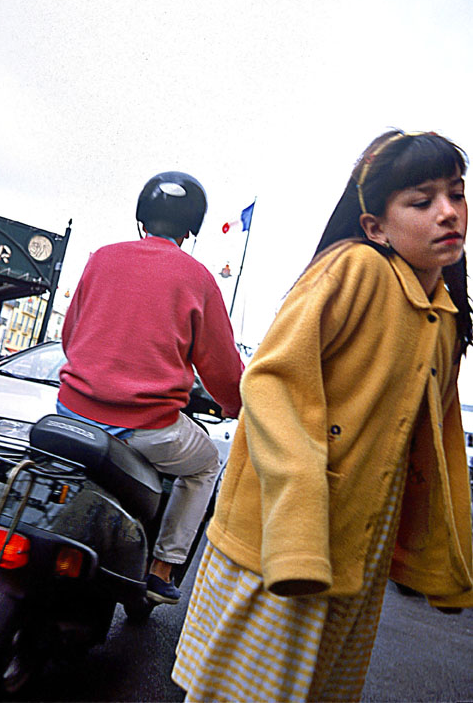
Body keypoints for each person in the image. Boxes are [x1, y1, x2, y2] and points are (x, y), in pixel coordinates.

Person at [172, 130, 473, 702]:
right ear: (375, 227)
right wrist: (299, 520)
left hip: (356, 552)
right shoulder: (354, 270)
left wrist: (439, 558)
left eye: (456, 194)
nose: (448, 212)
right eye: (422, 200)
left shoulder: (445, 317)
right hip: (284, 539)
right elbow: (272, 382)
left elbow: (436, 448)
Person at [59, 171, 243, 604]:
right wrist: (233, 405)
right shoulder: (198, 278)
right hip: (145, 428)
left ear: (142, 217)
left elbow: (70, 337)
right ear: (191, 228)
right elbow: (220, 368)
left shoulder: (102, 258)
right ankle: (162, 567)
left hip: (71, 412)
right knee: (205, 465)